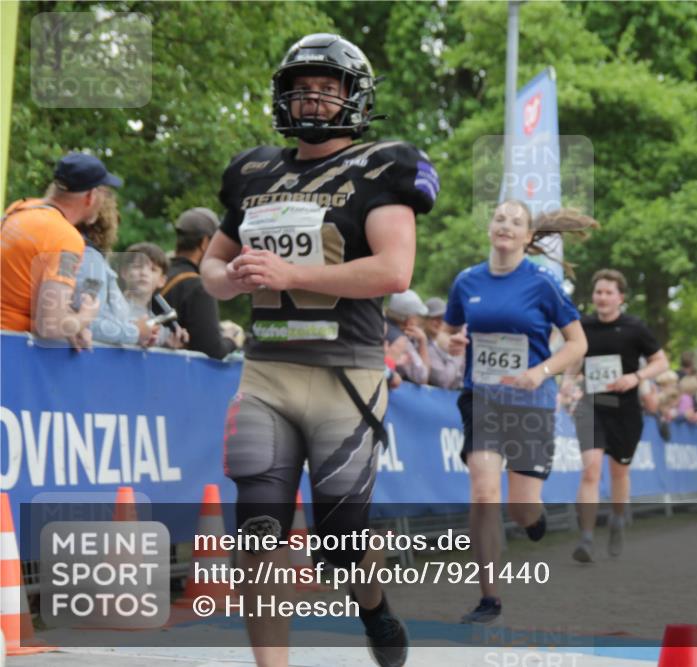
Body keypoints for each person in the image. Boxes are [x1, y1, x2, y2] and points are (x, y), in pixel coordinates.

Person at [201, 33, 437, 667]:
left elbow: (395, 271)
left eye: (327, 89)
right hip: (267, 373)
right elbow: (212, 268)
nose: (312, 101)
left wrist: (289, 275)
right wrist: (234, 279)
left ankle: (373, 604)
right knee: (257, 534)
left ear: (353, 98)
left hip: (346, 378)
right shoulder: (254, 171)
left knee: (339, 547)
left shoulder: (382, 164)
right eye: (301, 88)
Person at [443, 200, 590, 624]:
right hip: (482, 397)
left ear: (528, 237)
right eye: (499, 218)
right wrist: (449, 344)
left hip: (530, 402)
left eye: (516, 221)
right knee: (484, 491)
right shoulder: (467, 280)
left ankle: (534, 518)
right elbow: (448, 333)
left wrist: (539, 372)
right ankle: (490, 598)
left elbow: (577, 344)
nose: (505, 225)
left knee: (521, 507)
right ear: (490, 229)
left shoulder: (542, 283)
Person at [562, 269, 668, 562]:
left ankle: (618, 517)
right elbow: (574, 359)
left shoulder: (635, 328)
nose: (603, 297)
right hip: (592, 405)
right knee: (591, 469)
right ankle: (586, 537)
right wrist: (568, 381)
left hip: (625, 410)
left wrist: (635, 377)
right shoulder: (582, 326)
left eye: (609, 292)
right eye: (598, 292)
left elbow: (661, 362)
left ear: (621, 297)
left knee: (619, 471)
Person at [1, 152, 121, 349]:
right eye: (104, 193)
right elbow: (50, 324)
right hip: (10, 351)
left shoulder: (20, 208)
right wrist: (84, 317)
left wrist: (71, 326)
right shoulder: (66, 239)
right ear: (91, 196)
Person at [72, 191, 158, 346]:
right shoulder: (91, 259)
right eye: (116, 217)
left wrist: (140, 332)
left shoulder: (91, 257)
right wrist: (135, 332)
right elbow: (85, 323)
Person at [161, 207, 240, 359]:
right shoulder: (197, 286)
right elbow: (212, 351)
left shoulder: (159, 275)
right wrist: (231, 339)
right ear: (205, 243)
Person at [120, 243, 189, 349]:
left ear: (162, 280)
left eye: (153, 269)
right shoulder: (112, 307)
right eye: (137, 267)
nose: (144, 273)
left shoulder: (161, 320)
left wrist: (170, 344)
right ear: (124, 272)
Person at [384, 290, 429, 384]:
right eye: (417, 317)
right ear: (410, 321)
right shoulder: (402, 342)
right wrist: (423, 342)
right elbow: (422, 377)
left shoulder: (379, 324)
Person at [423, 296, 463, 389]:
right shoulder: (424, 344)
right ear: (425, 319)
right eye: (435, 318)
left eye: (443, 318)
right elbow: (444, 381)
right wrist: (457, 353)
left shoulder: (441, 341)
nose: (439, 322)